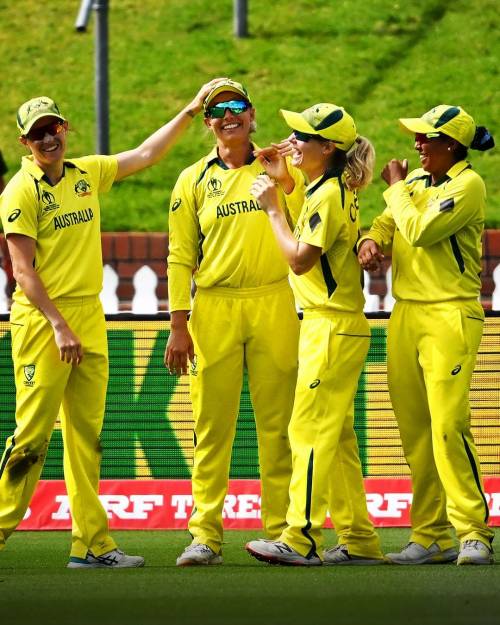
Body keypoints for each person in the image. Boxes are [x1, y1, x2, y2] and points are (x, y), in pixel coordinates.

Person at [0, 79, 224, 569]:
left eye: (53, 128)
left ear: (65, 128)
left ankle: (92, 544)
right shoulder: (20, 191)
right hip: (43, 322)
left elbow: (144, 154)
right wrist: (59, 325)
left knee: (87, 437)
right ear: (25, 143)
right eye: (37, 134)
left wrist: (189, 110)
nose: (48, 139)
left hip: (88, 314)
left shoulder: (86, 173)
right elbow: (22, 272)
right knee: (31, 439)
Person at [165, 79, 301, 566]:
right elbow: (180, 255)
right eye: (218, 109)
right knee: (211, 426)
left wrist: (285, 177)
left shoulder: (280, 167)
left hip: (273, 301)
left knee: (278, 425)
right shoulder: (192, 179)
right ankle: (204, 536)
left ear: (252, 112)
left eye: (237, 106)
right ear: (207, 122)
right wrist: (179, 323)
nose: (229, 115)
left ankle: (283, 532)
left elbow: (306, 221)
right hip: (214, 307)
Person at [245, 103, 384, 565]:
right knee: (338, 439)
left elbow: (301, 258)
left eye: (303, 136)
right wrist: (285, 180)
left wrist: (271, 210)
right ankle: (359, 539)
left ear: (329, 148)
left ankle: (300, 537)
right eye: (294, 132)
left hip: (330, 326)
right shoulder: (328, 185)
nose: (293, 141)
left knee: (307, 432)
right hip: (334, 326)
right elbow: (310, 214)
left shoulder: (327, 194)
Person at [358, 105, 495, 566]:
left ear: (451, 145)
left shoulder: (468, 186)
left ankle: (474, 531)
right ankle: (432, 534)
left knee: (448, 425)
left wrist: (395, 188)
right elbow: (387, 224)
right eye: (416, 138)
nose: (417, 146)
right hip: (406, 315)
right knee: (416, 431)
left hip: (450, 315)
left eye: (426, 139)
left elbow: (416, 230)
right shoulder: (416, 184)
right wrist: (369, 243)